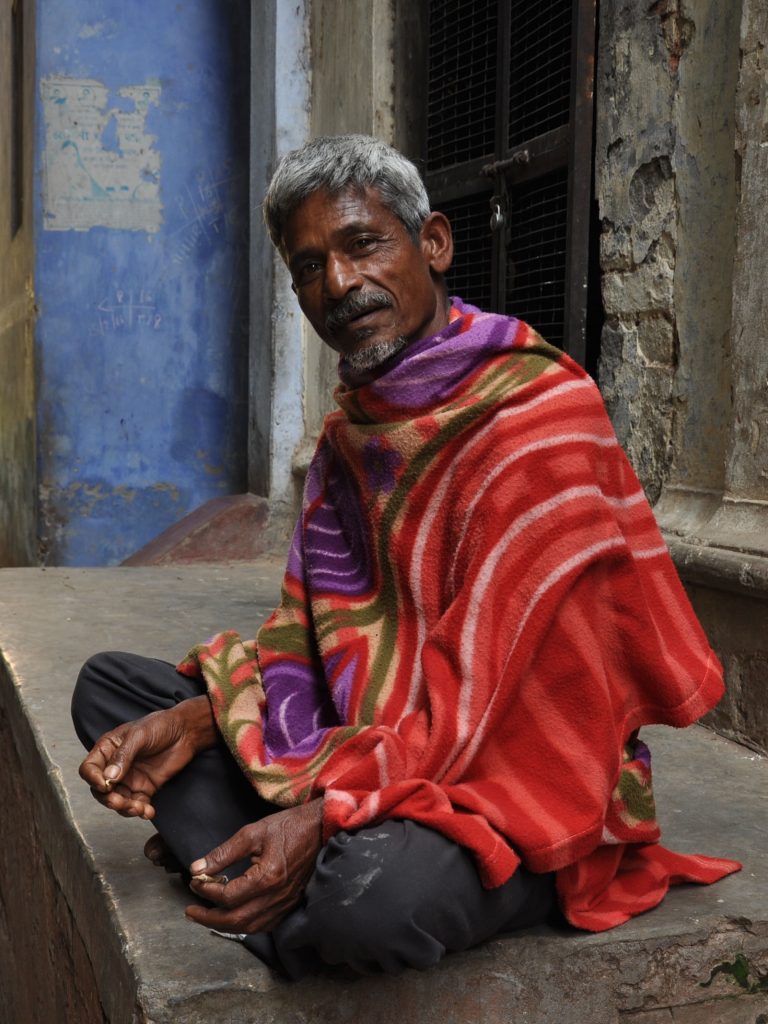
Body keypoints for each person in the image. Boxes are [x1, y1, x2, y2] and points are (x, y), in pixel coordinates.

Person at [72, 134, 739, 979]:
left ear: (432, 243)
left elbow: (503, 709)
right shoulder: (355, 431)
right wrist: (200, 717)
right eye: (310, 267)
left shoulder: (537, 417)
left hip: (514, 772)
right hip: (380, 744)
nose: (340, 285)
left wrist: (325, 817)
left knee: (369, 904)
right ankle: (274, 877)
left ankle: (283, 875)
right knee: (114, 694)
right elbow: (312, 645)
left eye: (362, 244)